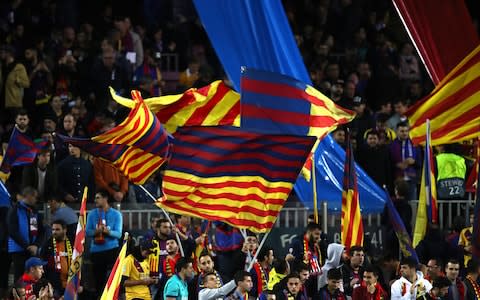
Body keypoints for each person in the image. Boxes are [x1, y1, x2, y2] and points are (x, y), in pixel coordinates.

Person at [85, 189, 123, 297]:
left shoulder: (116, 214)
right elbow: (87, 232)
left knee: (113, 279)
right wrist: (98, 231)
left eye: (98, 197)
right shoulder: (92, 214)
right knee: (98, 282)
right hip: (96, 252)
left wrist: (108, 231)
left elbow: (118, 234)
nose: (95, 200)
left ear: (105, 198)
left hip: (112, 250)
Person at [7, 186, 46, 280]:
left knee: (34, 277)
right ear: (28, 196)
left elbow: (42, 231)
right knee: (20, 277)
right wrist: (27, 246)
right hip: (19, 250)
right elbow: (12, 231)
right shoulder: (15, 210)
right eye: (34, 196)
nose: (36, 199)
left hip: (33, 250)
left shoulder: (35, 211)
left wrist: (36, 245)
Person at [40, 219, 73, 297]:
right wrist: (46, 284)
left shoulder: (72, 243)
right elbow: (42, 266)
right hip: (54, 286)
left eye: (57, 229)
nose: (54, 232)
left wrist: (79, 283)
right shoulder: (47, 245)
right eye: (53, 229)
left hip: (71, 284)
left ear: (65, 230)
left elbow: (79, 263)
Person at [389, 121, 420, 201]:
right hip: (397, 179)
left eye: (406, 131)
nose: (405, 133)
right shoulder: (391, 145)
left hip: (411, 179)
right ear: (397, 131)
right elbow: (387, 162)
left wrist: (414, 162)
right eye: (402, 131)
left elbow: (420, 162)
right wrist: (396, 165)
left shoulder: (414, 144)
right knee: (398, 203)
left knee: (412, 203)